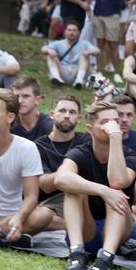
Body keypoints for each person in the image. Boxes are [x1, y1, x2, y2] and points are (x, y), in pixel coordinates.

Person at [54, 101, 136, 270]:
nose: (111, 126)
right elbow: (60, 178)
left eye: (115, 122)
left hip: (120, 230)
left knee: (115, 192)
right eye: (105, 122)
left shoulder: (130, 155)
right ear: (89, 128)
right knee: (73, 190)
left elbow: (117, 181)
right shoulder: (81, 152)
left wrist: (116, 138)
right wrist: (102, 190)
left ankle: (105, 260)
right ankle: (77, 254)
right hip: (88, 230)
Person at [0, 88, 51, 248]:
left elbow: (31, 197)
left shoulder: (27, 148)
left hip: (11, 217)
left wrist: (19, 218)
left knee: (44, 215)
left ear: (10, 117)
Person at [35, 95, 90, 231]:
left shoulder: (87, 141)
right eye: (62, 111)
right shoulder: (38, 146)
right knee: (43, 216)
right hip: (51, 202)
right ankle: (81, 228)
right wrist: (69, 172)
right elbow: (45, 185)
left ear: (79, 118)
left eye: (72, 112)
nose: (67, 116)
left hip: (83, 195)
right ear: (52, 115)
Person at [91, 0, 124, 84]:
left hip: (112, 14)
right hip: (98, 13)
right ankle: (99, 70)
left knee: (113, 45)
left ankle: (116, 72)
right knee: (100, 43)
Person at [42, 20, 99, 88]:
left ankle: (79, 81)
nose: (71, 32)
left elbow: (97, 50)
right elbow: (44, 48)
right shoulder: (58, 43)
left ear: (79, 32)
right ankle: (56, 78)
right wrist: (49, 50)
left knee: (84, 56)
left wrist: (89, 52)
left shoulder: (85, 43)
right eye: (69, 30)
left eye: (74, 30)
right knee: (50, 55)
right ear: (65, 32)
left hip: (77, 70)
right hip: (63, 70)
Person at [112, 95, 136, 167]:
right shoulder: (99, 139)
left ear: (134, 117)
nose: (124, 120)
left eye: (129, 115)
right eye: (119, 114)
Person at [11, 76, 53, 141]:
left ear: (37, 100)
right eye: (16, 96)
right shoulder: (9, 123)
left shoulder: (49, 126)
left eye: (26, 96)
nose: (20, 101)